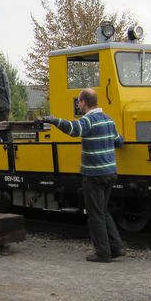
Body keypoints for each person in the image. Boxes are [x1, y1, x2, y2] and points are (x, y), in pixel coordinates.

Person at [42, 88, 125, 263]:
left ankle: (103, 253)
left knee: (95, 215)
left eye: (78, 101)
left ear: (84, 102)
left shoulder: (88, 120)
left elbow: (73, 129)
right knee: (102, 210)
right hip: (111, 173)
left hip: (94, 174)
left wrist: (53, 120)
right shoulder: (108, 120)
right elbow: (119, 141)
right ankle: (117, 247)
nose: (78, 105)